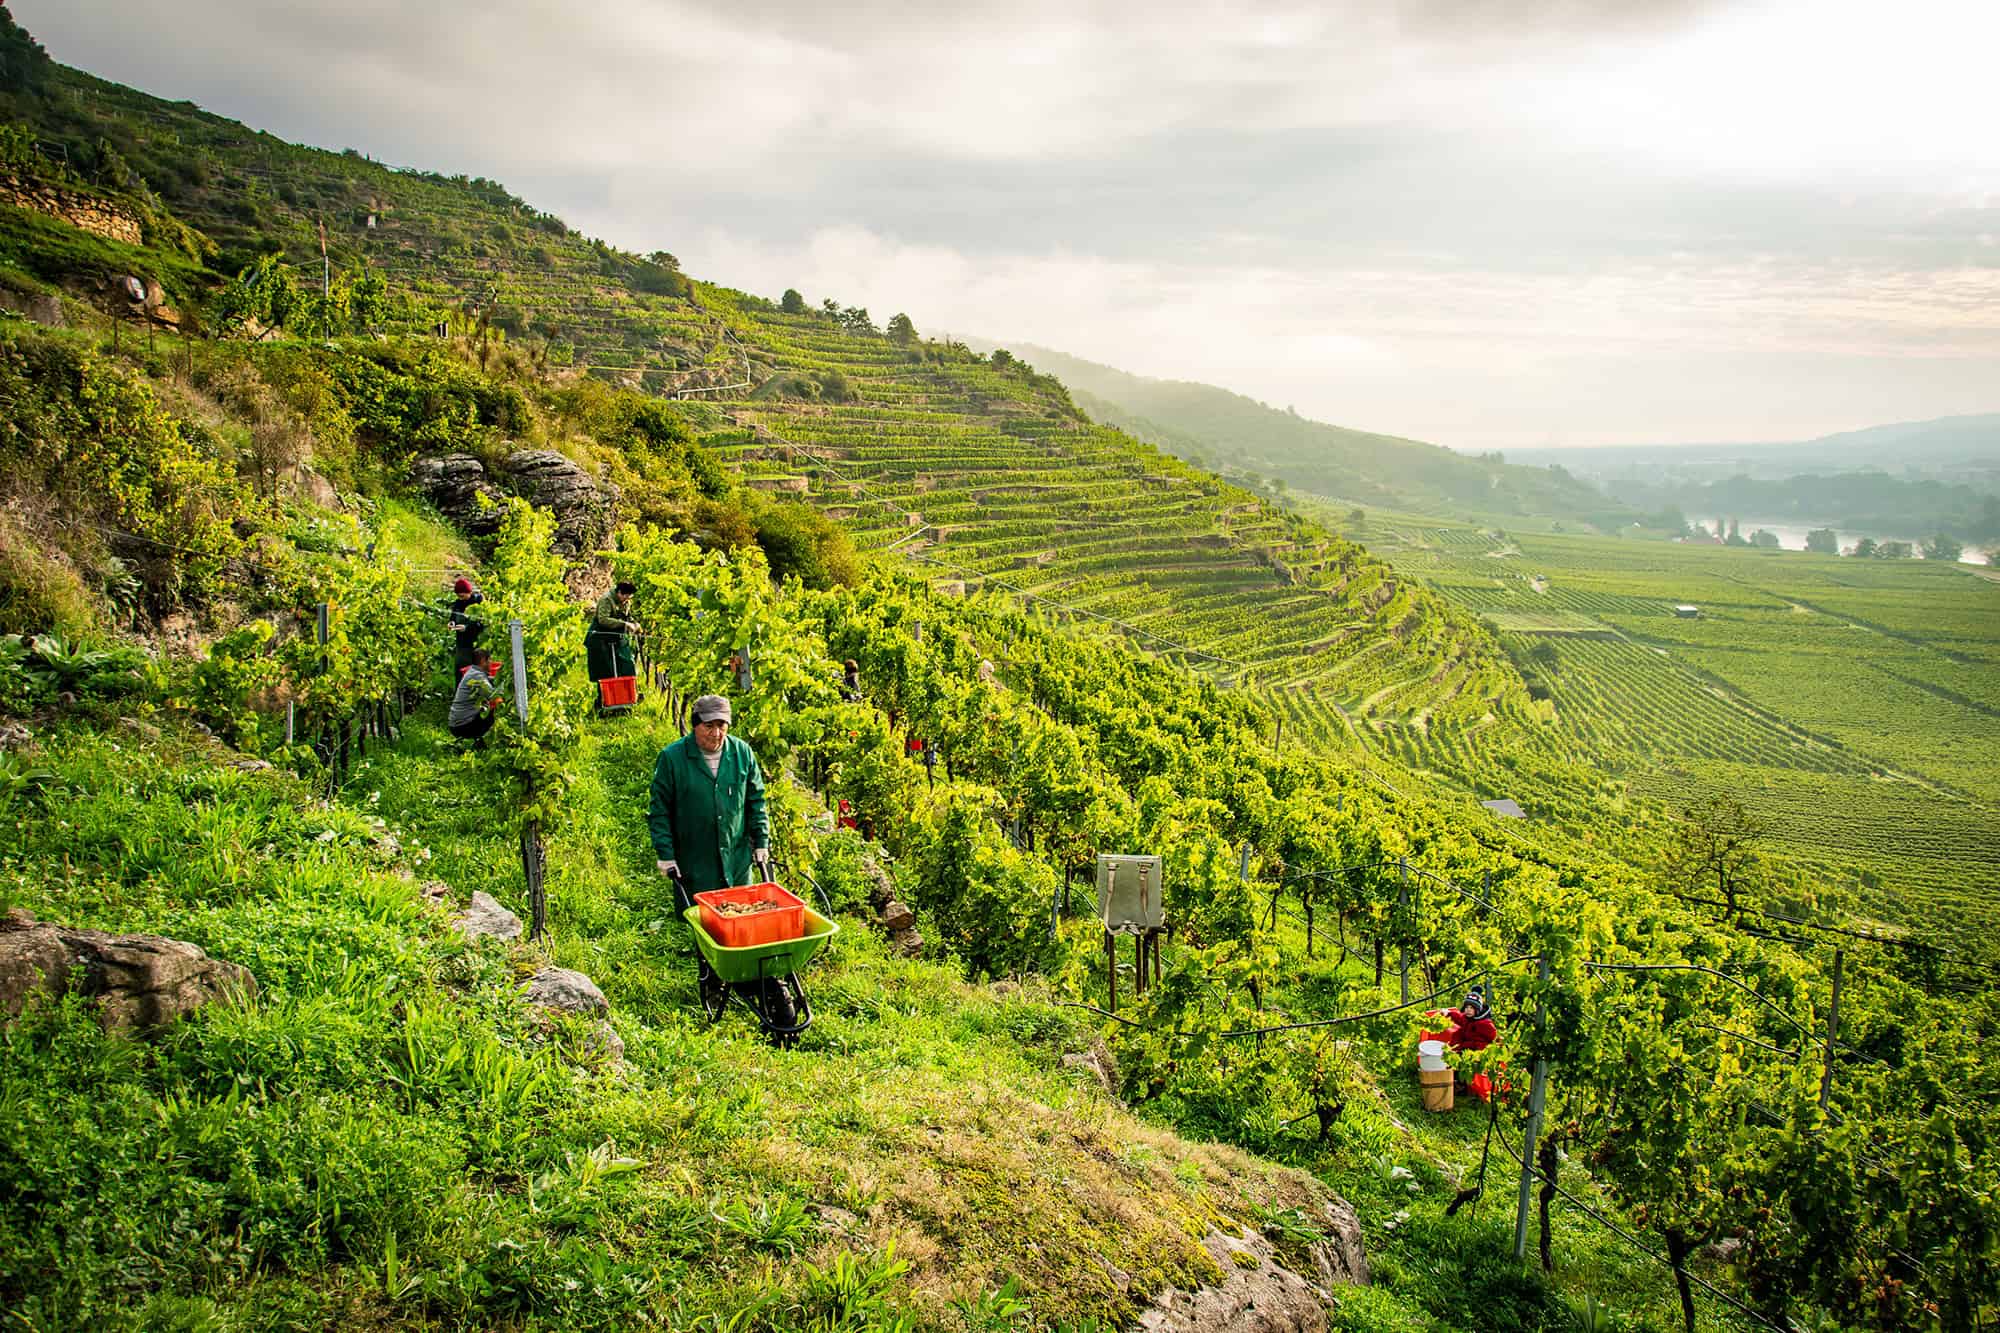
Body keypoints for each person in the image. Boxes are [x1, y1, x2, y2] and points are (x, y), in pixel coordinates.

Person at [649, 694, 769, 912]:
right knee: (703, 919)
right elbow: (660, 811)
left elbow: (756, 800)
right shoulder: (672, 758)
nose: (716, 734)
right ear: (695, 725)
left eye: (722, 726)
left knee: (740, 914)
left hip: (736, 858)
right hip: (695, 859)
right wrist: (666, 855)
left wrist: (761, 841)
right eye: (709, 726)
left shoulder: (742, 753)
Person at [447, 646, 506, 747]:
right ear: (483, 660)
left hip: (456, 723)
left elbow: (489, 680)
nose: (491, 663)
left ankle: (479, 741)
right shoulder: (477, 676)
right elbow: (494, 696)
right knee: (498, 709)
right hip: (463, 726)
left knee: (486, 708)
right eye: (490, 660)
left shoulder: (472, 672)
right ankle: (485, 743)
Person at [587, 581, 639, 684]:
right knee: (605, 672)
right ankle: (604, 698)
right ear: (619, 592)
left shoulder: (625, 602)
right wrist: (624, 624)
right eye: (626, 597)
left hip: (616, 638)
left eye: (629, 597)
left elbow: (628, 616)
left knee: (626, 665)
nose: (627, 600)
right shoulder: (606, 600)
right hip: (600, 638)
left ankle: (627, 695)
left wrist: (634, 623)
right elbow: (603, 619)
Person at [1422, 985, 1498, 1052]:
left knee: (1462, 1038)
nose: (1468, 1010)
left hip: (1477, 1049)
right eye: (1466, 1007)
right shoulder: (1467, 1018)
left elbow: (1493, 1036)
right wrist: (1448, 1013)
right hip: (1466, 1045)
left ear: (1477, 1010)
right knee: (1457, 1035)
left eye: (1471, 1008)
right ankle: (1452, 1053)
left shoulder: (1484, 1023)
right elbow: (1459, 1018)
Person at [446, 576, 486, 674]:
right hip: (462, 643)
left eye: (462, 596)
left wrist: (467, 628)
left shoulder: (478, 602)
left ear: (469, 592)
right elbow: (453, 616)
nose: (460, 598)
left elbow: (482, 622)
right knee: (461, 668)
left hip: (476, 641)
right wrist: (452, 623)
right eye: (459, 596)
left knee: (477, 669)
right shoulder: (458, 603)